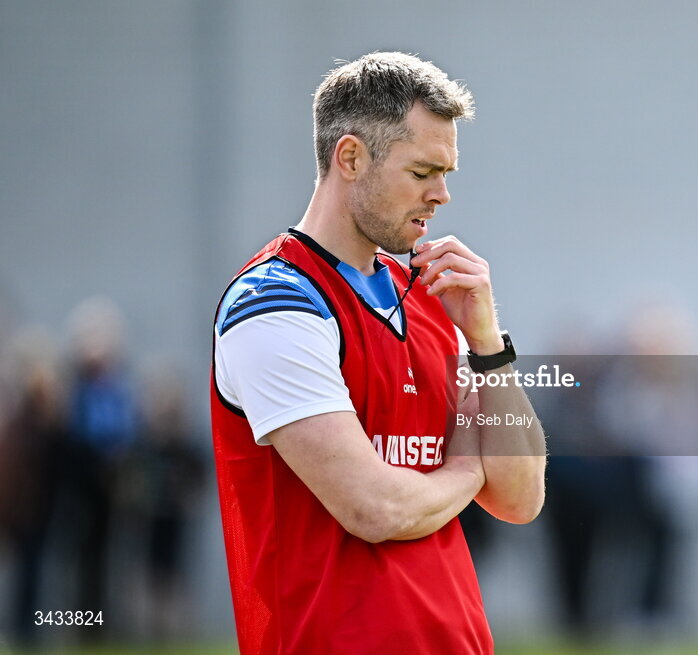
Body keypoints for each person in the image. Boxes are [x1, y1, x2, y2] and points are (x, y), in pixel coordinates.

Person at [210, 52, 545, 654]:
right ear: (351, 157)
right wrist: (467, 470)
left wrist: (488, 343)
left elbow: (521, 498)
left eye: (447, 173)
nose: (441, 195)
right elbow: (375, 508)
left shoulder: (427, 295)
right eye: (422, 172)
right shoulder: (275, 304)